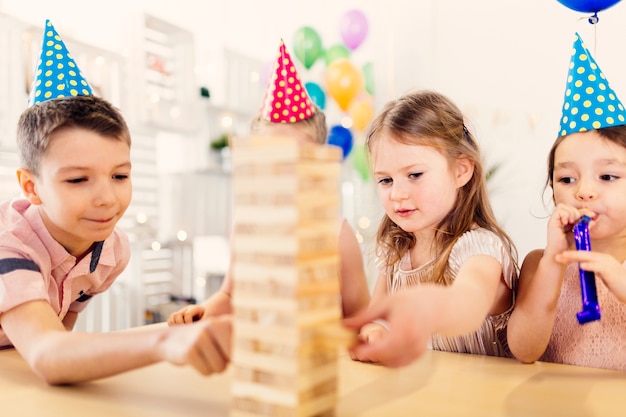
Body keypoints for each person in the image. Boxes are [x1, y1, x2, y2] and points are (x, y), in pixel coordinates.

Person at [0, 20, 231, 385]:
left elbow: (61, 335)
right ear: (31, 187)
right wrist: (163, 340)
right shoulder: (10, 246)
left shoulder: (110, 252)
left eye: (120, 176)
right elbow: (48, 354)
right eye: (78, 179)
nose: (108, 198)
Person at [167, 40, 370, 325]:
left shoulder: (336, 233)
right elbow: (230, 294)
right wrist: (203, 311)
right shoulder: (246, 224)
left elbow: (360, 315)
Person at [343, 89, 518, 367]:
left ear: (461, 170)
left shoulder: (480, 248)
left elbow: (469, 304)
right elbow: (376, 318)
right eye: (386, 180)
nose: (397, 194)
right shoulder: (396, 253)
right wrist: (374, 334)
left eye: (414, 175)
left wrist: (428, 306)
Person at [507, 33, 626, 371]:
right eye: (567, 179)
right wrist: (553, 264)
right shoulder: (538, 264)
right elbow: (524, 350)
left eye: (607, 176)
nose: (584, 191)